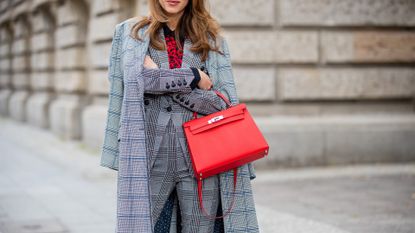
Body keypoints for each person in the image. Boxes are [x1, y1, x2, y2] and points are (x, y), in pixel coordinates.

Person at [101, 0, 259, 232]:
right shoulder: (131, 34)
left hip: (201, 157)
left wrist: (159, 78)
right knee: (145, 227)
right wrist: (193, 76)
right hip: (148, 154)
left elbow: (223, 103)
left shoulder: (211, 39)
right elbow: (135, 82)